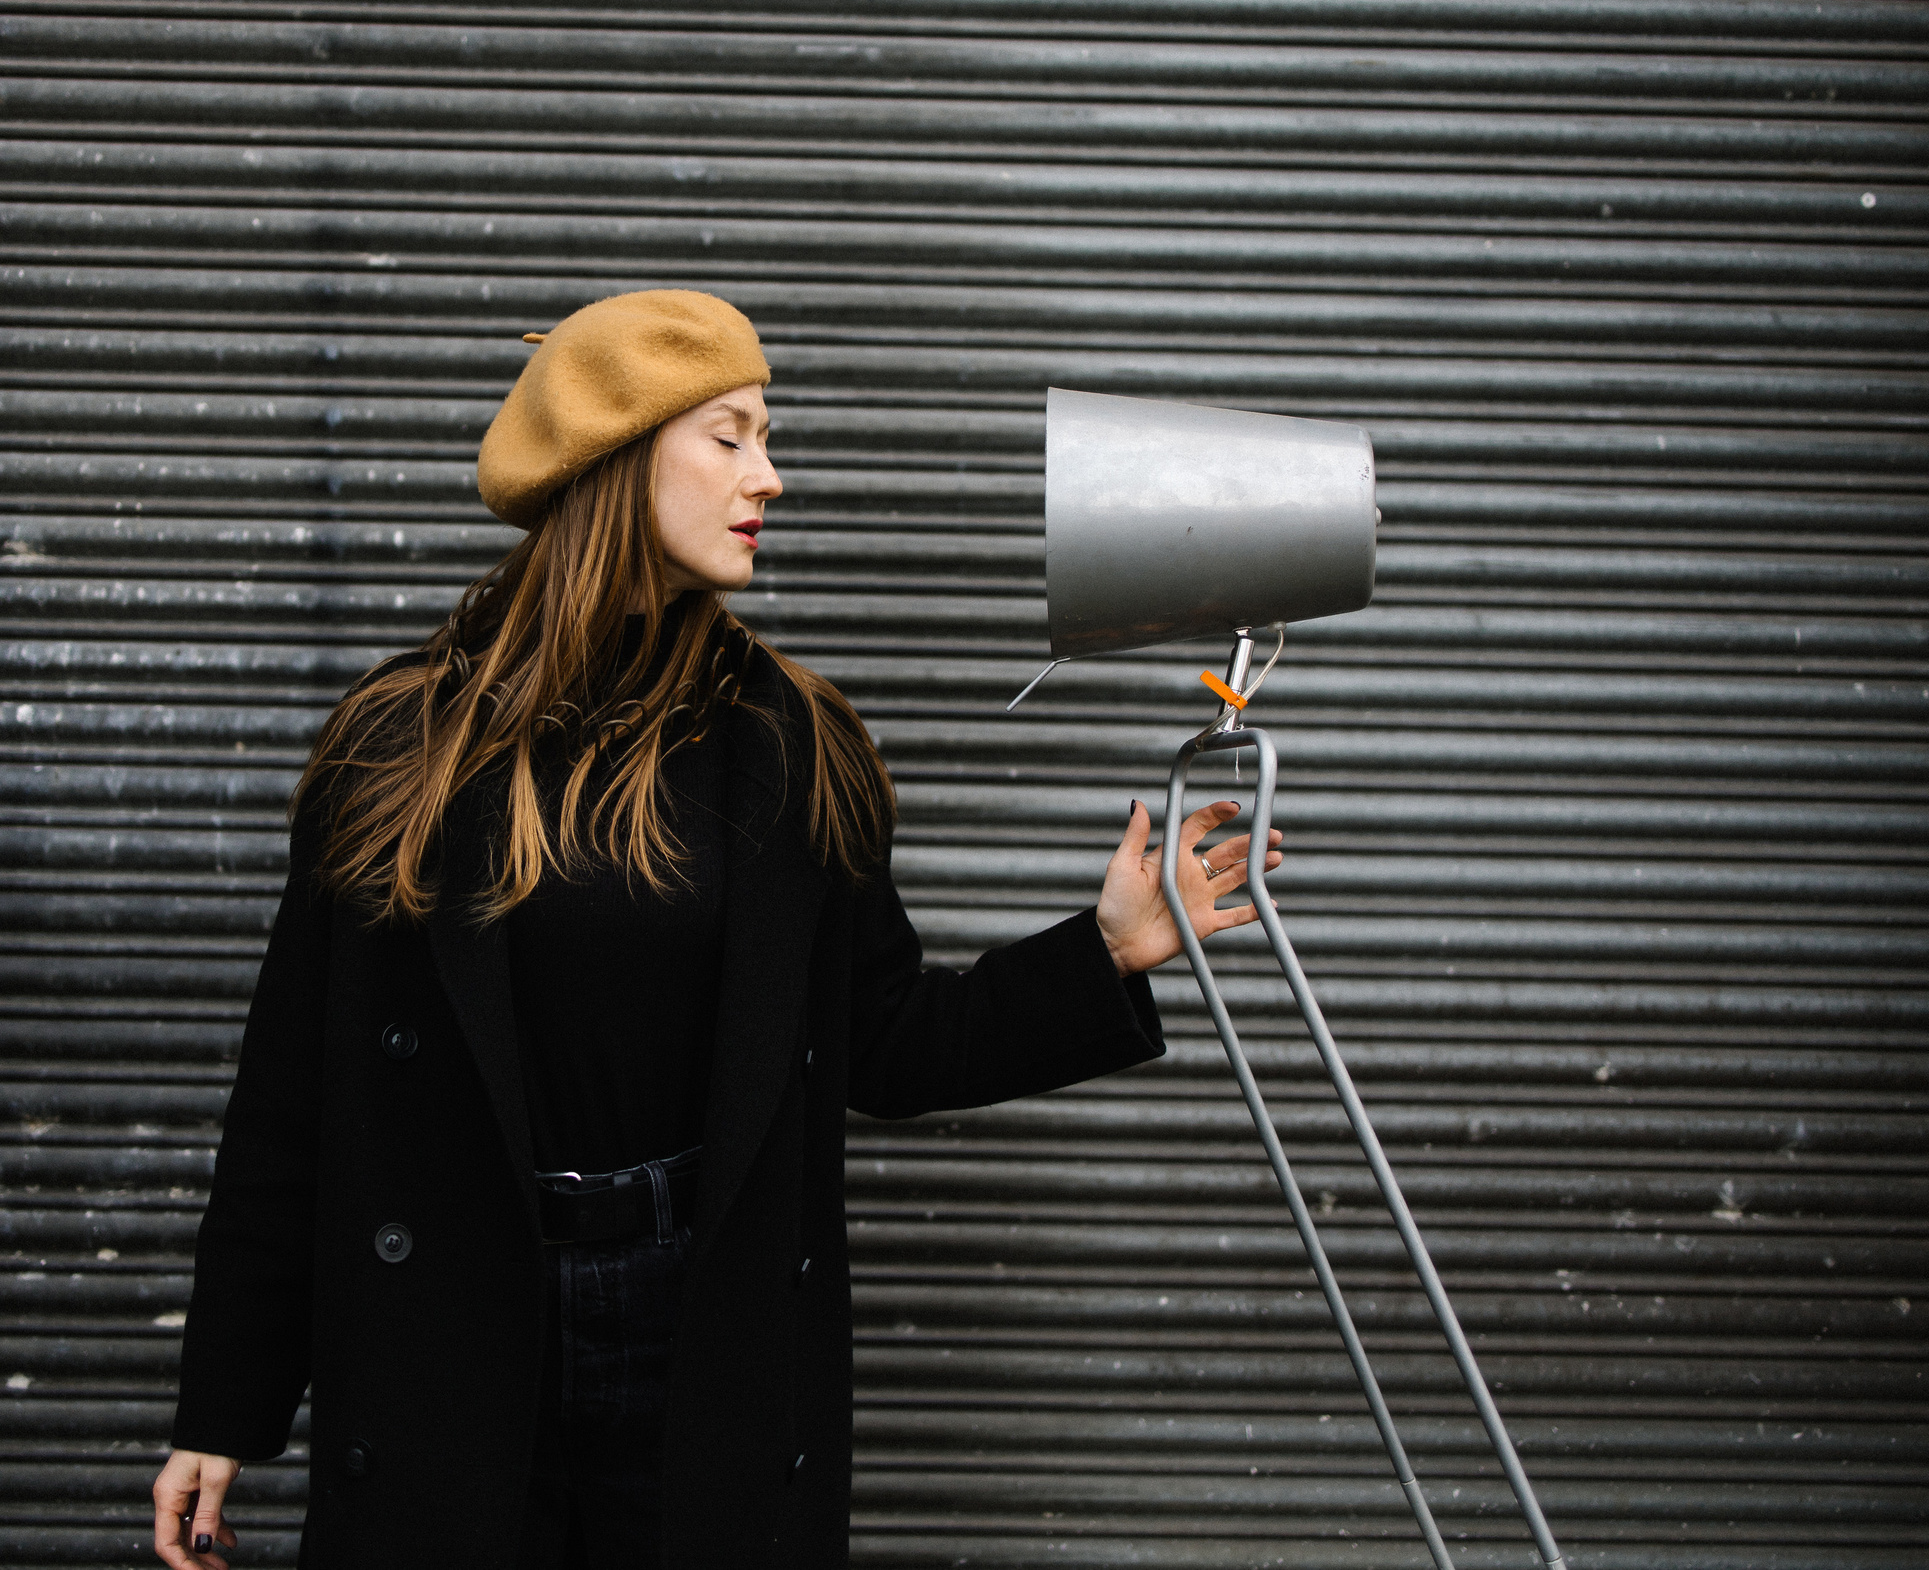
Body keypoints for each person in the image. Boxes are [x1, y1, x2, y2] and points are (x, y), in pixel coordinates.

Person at [150, 290, 1279, 1569]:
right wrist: (223, 1410)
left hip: (702, 1326)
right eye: (730, 437)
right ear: (618, 461)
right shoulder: (403, 743)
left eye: (765, 437)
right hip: (455, 1320)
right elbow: (292, 1103)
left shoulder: (787, 742)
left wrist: (1110, 946)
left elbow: (891, 1044)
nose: (771, 477)